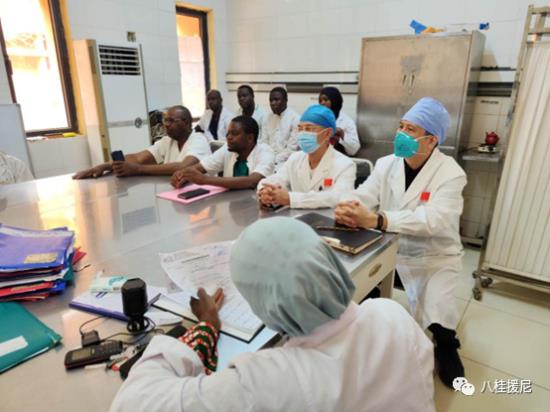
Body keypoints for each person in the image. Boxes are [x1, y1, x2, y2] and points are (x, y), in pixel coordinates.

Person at [110, 217, 435, 412]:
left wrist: (206, 327)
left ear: (268, 304)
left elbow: (134, 403)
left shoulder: (272, 379)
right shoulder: (390, 314)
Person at [334, 97, 467, 389]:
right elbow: (366, 193)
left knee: (438, 310)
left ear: (431, 140)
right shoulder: (386, 164)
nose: (401, 134)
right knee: (364, 293)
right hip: (392, 250)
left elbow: (433, 220)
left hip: (434, 257)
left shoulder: (451, 174)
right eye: (401, 126)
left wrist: (379, 220)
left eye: (410, 129)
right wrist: (349, 205)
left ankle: (447, 346)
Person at [258, 104, 356, 209]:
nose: (303, 134)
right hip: (295, 217)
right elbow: (276, 179)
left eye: (309, 129)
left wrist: (291, 199)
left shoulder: (345, 165)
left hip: (327, 218)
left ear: (327, 133)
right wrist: (266, 191)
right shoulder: (295, 158)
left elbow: (338, 197)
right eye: (300, 129)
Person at [72, 105, 210, 179]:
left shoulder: (198, 140)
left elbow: (183, 167)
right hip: (177, 192)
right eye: (165, 120)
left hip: (201, 197)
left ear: (186, 123)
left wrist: (136, 169)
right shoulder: (168, 141)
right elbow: (138, 158)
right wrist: (104, 166)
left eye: (171, 121)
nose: (166, 125)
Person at [170, 116, 274, 190]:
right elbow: (201, 167)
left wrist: (204, 179)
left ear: (250, 138)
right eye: (228, 133)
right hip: (231, 203)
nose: (229, 137)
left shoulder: (265, 152)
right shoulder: (227, 149)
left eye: (234, 134)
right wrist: (182, 174)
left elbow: (252, 181)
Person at [260, 87, 299, 167]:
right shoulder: (267, 118)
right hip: (267, 161)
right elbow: (264, 143)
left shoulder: (295, 118)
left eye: (276, 100)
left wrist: (273, 160)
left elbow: (292, 149)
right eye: (271, 100)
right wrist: (266, 159)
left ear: (286, 100)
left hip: (287, 163)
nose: (273, 103)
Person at [318, 86, 360, 156]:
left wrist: (342, 135)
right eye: (320, 101)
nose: (322, 103)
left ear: (334, 100)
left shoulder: (347, 122)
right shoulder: (316, 119)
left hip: (338, 160)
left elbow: (354, 150)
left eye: (325, 100)